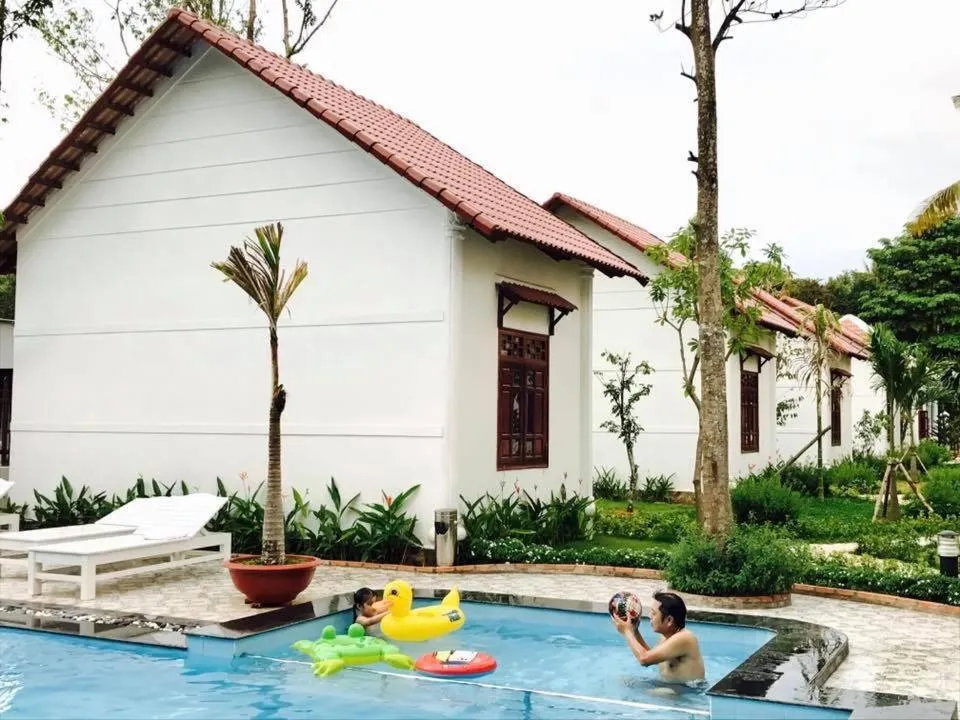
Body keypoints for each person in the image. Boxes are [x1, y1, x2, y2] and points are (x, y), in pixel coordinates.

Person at [611, 590, 705, 684]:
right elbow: (651, 657)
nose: (649, 616)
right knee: (626, 682)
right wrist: (635, 631)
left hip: (688, 692)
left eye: (654, 613)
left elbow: (644, 659)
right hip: (673, 687)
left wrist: (627, 632)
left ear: (669, 620)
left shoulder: (685, 638)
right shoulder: (666, 637)